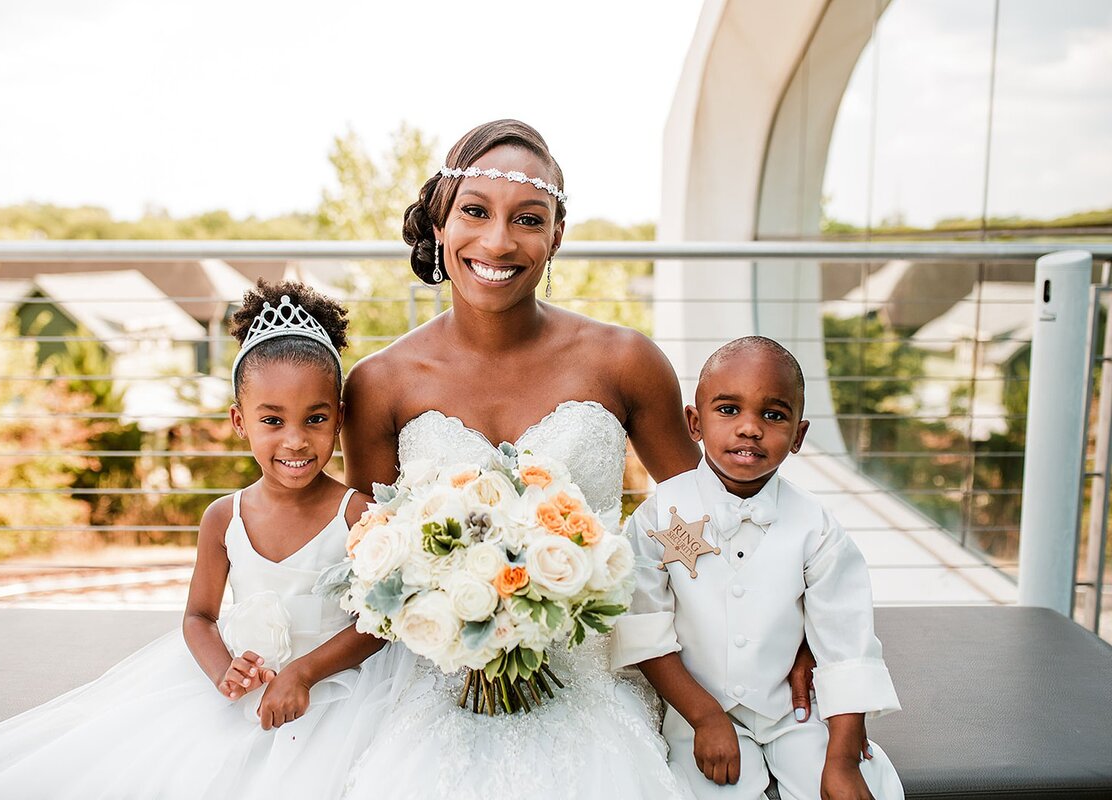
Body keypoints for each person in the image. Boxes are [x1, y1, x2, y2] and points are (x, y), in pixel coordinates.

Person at [338, 120, 812, 799]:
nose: (498, 241)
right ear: (441, 221)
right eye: (475, 211)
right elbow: (367, 558)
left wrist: (784, 636)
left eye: (527, 219)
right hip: (437, 680)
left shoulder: (625, 361)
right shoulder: (380, 383)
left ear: (556, 236)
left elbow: (701, 526)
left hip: (598, 669)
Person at [0, 281, 403, 800]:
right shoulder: (222, 518)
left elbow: (379, 623)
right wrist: (222, 671)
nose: (295, 439)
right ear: (239, 422)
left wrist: (305, 671)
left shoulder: (359, 515)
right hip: (246, 689)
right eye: (271, 421)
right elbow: (198, 617)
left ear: (339, 418)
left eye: (315, 419)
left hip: (335, 691)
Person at [610, 337, 904, 800]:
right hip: (697, 710)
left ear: (799, 435)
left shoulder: (818, 528)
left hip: (794, 711)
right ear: (694, 422)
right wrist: (706, 717)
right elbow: (643, 631)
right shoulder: (657, 516)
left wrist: (842, 759)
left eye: (773, 415)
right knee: (706, 790)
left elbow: (847, 642)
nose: (749, 428)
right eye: (728, 409)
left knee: (853, 787)